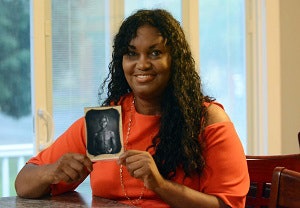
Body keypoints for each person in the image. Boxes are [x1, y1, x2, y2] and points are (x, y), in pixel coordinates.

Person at [15, 9, 249, 208]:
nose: (142, 63)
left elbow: (228, 205)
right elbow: (23, 182)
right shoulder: (106, 119)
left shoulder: (208, 119)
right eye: (132, 53)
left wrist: (159, 185)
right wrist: (52, 171)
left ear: (175, 60)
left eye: (155, 53)